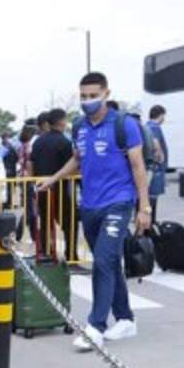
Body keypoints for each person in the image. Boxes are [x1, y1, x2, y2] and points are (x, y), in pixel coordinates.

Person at [37, 72, 151, 351]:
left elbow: (138, 166)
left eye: (93, 96)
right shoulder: (78, 127)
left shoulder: (125, 124)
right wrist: (52, 179)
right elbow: (77, 159)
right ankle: (125, 319)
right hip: (89, 204)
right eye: (84, 96)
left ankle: (95, 326)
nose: (88, 101)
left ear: (106, 94)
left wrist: (144, 206)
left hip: (119, 201)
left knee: (102, 260)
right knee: (110, 263)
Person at [29, 108, 74, 257]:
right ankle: (71, 255)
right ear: (62, 121)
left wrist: (32, 183)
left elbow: (31, 164)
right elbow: (71, 166)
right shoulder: (65, 142)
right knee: (69, 223)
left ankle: (46, 253)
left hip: (41, 187)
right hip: (60, 188)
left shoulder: (38, 142)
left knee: (46, 222)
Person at [146, 106, 169, 222]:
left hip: (150, 166)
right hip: (155, 167)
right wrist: (161, 157)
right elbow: (156, 143)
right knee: (153, 196)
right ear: (160, 115)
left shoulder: (146, 126)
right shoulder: (154, 127)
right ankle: (152, 221)